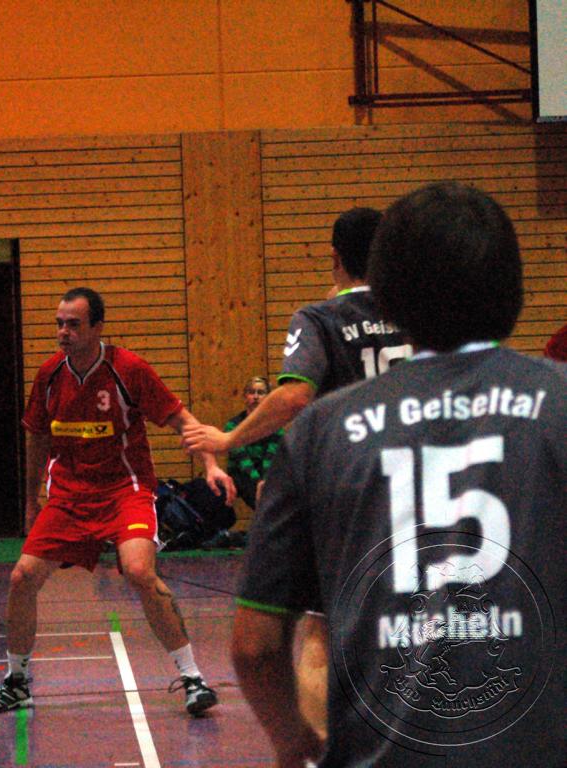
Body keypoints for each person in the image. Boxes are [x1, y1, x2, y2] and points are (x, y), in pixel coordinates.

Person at [232, 182, 566, 766]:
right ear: (513, 287)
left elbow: (254, 646)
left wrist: (292, 742)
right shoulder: (559, 401)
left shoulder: (319, 431)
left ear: (384, 294)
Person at [183, 206, 412, 732]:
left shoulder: (321, 319)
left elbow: (294, 395)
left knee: (321, 633)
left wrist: (229, 438)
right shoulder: (418, 313)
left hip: (351, 491)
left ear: (334, 257)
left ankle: (320, 751)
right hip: (420, 485)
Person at [0, 287, 235, 716]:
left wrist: (210, 465)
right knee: (22, 577)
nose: (64, 332)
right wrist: (32, 499)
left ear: (98, 327)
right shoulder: (49, 375)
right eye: (60, 324)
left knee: (139, 571)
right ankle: (17, 681)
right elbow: (37, 437)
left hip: (124, 491)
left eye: (73, 324)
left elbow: (182, 420)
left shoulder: (128, 369)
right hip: (69, 496)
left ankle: (193, 677)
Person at [223, 376, 281, 510]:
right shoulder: (233, 425)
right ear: (245, 397)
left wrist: (264, 480)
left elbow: (270, 458)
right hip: (241, 473)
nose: (255, 397)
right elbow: (242, 460)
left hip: (265, 472)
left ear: (268, 397)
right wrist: (258, 481)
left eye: (260, 393)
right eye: (251, 392)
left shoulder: (275, 425)